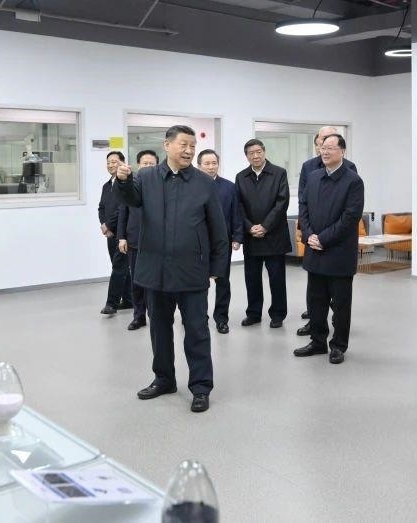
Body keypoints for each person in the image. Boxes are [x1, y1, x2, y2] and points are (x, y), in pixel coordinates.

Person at [114, 125, 229, 413]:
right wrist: (123, 181)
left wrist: (217, 267)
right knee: (159, 329)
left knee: (197, 331)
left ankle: (200, 387)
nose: (189, 150)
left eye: (192, 146)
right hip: (156, 270)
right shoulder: (146, 177)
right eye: (183, 144)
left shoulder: (204, 183)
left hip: (192, 271)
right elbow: (129, 199)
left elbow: (217, 227)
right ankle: (164, 379)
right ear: (167, 145)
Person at [293, 134, 364, 364]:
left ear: (342, 151)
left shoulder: (353, 181)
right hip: (314, 250)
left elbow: (350, 217)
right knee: (316, 301)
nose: (324, 151)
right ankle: (317, 342)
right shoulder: (314, 177)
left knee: (341, 304)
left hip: (339, 253)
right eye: (323, 147)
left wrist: (323, 238)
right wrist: (309, 234)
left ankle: (338, 346)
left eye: (330, 148)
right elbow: (303, 206)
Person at [234, 139, 291, 329]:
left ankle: (278, 314)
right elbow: (238, 205)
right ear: (246, 156)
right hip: (251, 237)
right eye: (251, 153)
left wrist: (265, 226)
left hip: (274, 236)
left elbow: (282, 203)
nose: (255, 156)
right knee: (252, 279)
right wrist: (249, 227)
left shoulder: (279, 173)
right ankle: (253, 313)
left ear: (264, 152)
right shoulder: (241, 177)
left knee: (277, 278)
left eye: (258, 151)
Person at [197, 149, 244, 334]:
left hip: (222, 243)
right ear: (199, 166)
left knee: (223, 282)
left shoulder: (229, 187)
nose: (211, 167)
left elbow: (236, 213)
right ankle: (198, 317)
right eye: (207, 163)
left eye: (214, 163)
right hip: (197, 243)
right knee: (198, 283)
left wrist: (237, 237)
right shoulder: (192, 186)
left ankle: (221, 319)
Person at [117, 150, 159, 331]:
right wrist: (121, 237)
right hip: (134, 240)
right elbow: (123, 212)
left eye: (152, 164)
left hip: (156, 242)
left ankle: (155, 316)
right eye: (145, 163)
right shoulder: (131, 184)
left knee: (155, 283)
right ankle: (138, 316)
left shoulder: (161, 185)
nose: (148, 166)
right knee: (136, 281)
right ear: (138, 165)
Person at [97, 151, 132, 316]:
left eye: (114, 161)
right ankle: (130, 300)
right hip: (110, 234)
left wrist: (109, 225)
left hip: (123, 233)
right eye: (108, 162)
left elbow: (122, 208)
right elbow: (101, 207)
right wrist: (104, 225)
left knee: (119, 267)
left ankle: (111, 304)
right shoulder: (106, 186)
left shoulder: (125, 184)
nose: (111, 165)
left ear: (123, 163)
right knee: (120, 267)